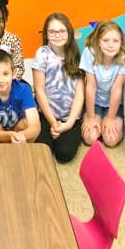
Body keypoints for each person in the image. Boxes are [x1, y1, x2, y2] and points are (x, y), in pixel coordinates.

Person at [34, 13, 85, 162]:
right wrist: (53, 123)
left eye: (62, 31)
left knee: (65, 154)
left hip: (70, 116)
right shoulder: (42, 54)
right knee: (42, 153)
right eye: (52, 31)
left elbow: (80, 94)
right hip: (47, 114)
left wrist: (68, 124)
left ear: (69, 32)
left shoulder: (76, 54)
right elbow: (39, 90)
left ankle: (66, 132)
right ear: (46, 34)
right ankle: (53, 130)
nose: (57, 35)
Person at [79, 20, 125, 146]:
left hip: (115, 104)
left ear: (121, 42)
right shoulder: (89, 53)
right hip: (94, 103)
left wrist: (111, 118)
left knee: (111, 140)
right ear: (98, 42)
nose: (111, 45)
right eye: (105, 40)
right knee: (90, 138)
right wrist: (90, 117)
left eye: (115, 41)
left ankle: (108, 120)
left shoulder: (124, 56)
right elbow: (91, 87)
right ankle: (97, 120)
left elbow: (117, 89)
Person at [0, 50, 40, 143]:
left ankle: (22, 151)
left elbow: (35, 126)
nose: (1, 80)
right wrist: (10, 135)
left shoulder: (24, 89)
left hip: (18, 129)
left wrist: (19, 136)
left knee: (27, 124)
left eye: (5, 74)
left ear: (13, 74)